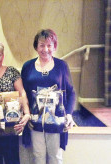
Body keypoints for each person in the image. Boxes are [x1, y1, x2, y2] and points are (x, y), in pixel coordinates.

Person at [21, 29, 76, 164]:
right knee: (38, 156)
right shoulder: (27, 66)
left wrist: (69, 114)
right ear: (36, 46)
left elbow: (71, 92)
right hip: (35, 121)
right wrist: (25, 112)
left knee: (55, 158)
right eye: (42, 45)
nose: (45, 49)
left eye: (49, 45)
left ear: (54, 46)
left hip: (56, 121)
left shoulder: (61, 65)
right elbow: (22, 93)